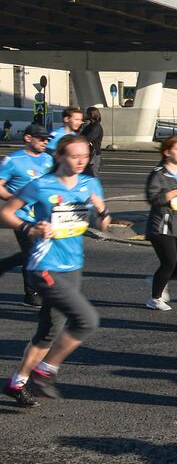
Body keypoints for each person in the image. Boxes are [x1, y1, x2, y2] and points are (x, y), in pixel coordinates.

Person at [0, 135, 109, 407]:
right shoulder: (41, 185)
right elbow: (7, 212)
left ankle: (17, 382)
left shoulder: (90, 184)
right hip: (45, 266)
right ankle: (44, 371)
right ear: (59, 157)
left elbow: (104, 225)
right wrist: (30, 228)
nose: (82, 161)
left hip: (73, 266)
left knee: (48, 332)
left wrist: (102, 211)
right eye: (75, 156)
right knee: (86, 320)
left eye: (85, 155)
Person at [0, 123, 54, 306]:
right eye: (41, 139)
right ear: (28, 138)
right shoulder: (13, 160)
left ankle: (6, 264)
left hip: (45, 216)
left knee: (38, 253)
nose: (45, 142)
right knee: (33, 253)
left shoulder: (48, 159)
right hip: (22, 216)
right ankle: (32, 294)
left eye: (48, 139)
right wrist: (16, 198)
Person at [144, 136, 177, 311]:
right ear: (167, 152)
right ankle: (155, 298)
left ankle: (161, 280)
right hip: (161, 226)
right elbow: (153, 199)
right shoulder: (158, 174)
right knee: (168, 263)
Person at [80, 107, 103, 177]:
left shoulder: (96, 127)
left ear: (91, 114)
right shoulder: (89, 125)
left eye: (86, 113)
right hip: (87, 153)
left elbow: (87, 139)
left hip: (94, 153)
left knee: (92, 174)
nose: (84, 115)